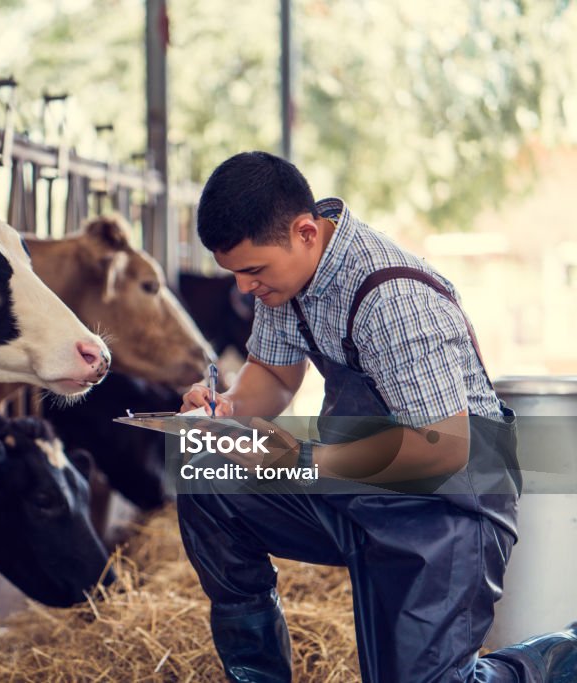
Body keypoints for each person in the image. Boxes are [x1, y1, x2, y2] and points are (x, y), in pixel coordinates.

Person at [177, 151, 577, 682]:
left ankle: (560, 658)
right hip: (360, 486)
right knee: (209, 474)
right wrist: (225, 409)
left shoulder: (392, 297)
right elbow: (273, 377)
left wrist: (306, 460)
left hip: (450, 507)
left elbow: (443, 449)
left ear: (305, 233)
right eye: (236, 273)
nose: (243, 289)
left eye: (252, 271)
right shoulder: (285, 281)